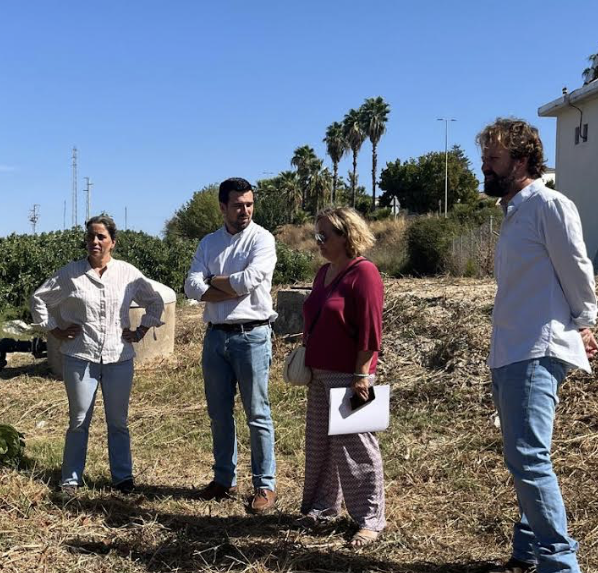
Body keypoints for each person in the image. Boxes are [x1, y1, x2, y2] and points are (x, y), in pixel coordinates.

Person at [478, 118, 598, 573]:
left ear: (522, 161)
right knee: (525, 458)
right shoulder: (514, 213)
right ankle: (527, 557)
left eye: (494, 159)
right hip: (512, 348)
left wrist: (586, 320)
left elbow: (575, 265)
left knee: (529, 458)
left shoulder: (549, 204)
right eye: (486, 157)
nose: (485, 166)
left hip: (536, 347)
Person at [30, 214, 164, 496]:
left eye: (101, 236)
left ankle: (123, 478)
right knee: (79, 420)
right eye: (91, 236)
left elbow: (154, 300)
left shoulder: (128, 273)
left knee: (118, 421)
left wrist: (140, 331)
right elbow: (39, 298)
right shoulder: (70, 274)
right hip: (81, 355)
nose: (94, 241)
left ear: (112, 242)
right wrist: (54, 330)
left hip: (119, 357)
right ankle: (71, 479)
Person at [184, 177, 278, 513]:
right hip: (216, 337)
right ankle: (224, 478)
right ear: (223, 206)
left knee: (257, 413)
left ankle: (265, 485)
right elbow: (190, 286)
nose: (245, 210)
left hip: (252, 335)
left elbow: (249, 282)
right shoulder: (209, 243)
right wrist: (221, 286)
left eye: (249, 204)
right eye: (238, 205)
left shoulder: (262, 239)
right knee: (219, 413)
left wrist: (212, 283)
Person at [298, 206, 386, 548]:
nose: (318, 242)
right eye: (316, 235)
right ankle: (322, 507)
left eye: (325, 236)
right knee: (320, 445)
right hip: (319, 373)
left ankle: (370, 519)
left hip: (352, 374)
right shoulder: (323, 274)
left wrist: (362, 375)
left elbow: (371, 330)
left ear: (346, 236)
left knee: (358, 448)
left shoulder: (365, 273)